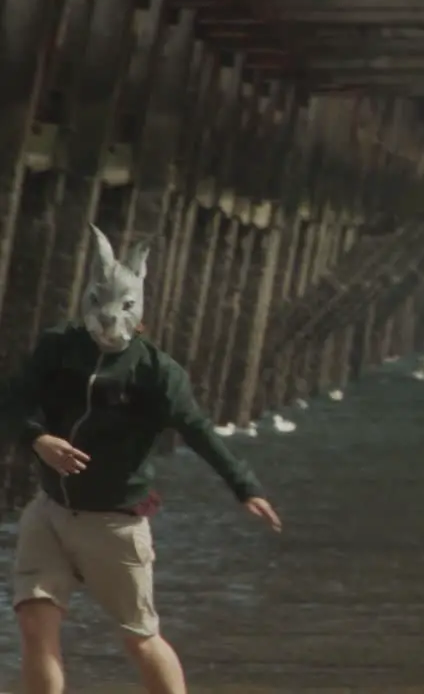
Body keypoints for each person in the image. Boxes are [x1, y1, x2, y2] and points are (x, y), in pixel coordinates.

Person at [0, 225, 282, 694]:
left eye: (122, 308)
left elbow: (198, 430)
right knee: (35, 625)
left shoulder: (157, 373)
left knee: (140, 638)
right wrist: (37, 439)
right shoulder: (59, 346)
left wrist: (245, 486)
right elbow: (11, 402)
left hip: (114, 524)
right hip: (49, 511)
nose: (108, 320)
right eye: (99, 304)